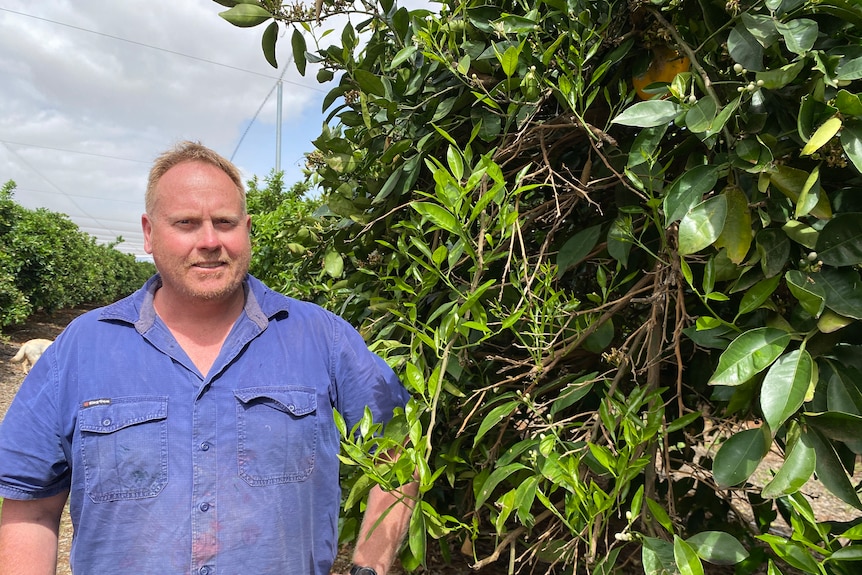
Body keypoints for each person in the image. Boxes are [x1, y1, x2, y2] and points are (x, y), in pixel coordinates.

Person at [0, 141, 415, 575]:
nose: (210, 240)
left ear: (247, 229)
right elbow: (31, 509)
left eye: (225, 222)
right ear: (148, 233)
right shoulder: (81, 348)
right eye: (186, 223)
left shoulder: (322, 337)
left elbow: (401, 451)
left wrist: (369, 566)